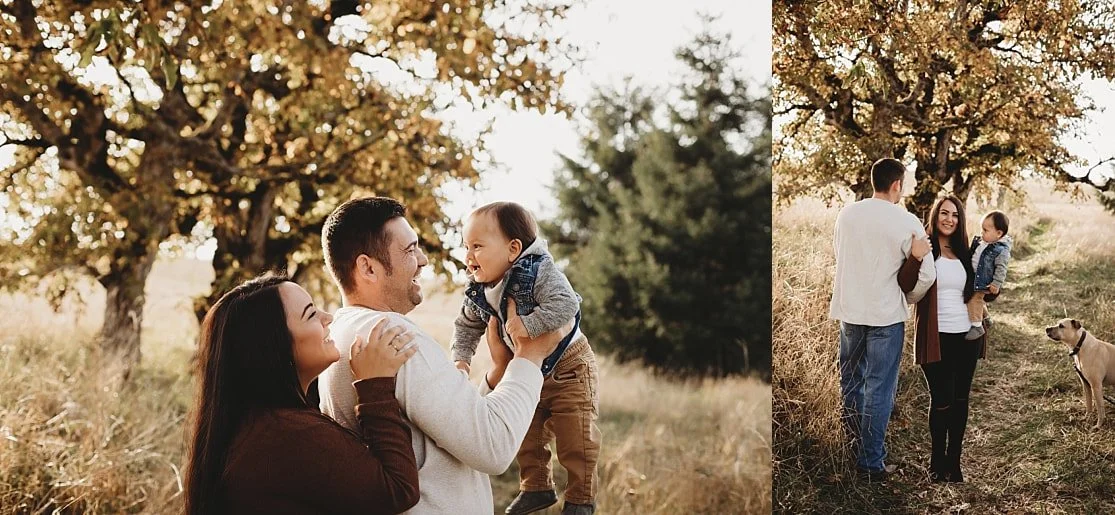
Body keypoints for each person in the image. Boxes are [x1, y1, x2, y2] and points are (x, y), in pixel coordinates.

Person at [316, 197, 572, 514]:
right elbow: (493, 446)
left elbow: (452, 429)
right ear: (368, 267)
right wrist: (530, 356)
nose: (423, 260)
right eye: (409, 250)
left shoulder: (343, 333)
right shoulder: (390, 335)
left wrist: (498, 374)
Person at [184, 273, 421, 515]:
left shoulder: (258, 424)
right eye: (310, 314)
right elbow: (399, 489)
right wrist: (374, 385)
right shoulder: (289, 433)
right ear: (274, 347)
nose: (327, 317)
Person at [451, 202, 599, 515]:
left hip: (569, 366)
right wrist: (461, 358)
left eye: (477, 246)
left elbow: (566, 305)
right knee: (525, 432)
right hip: (528, 368)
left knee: (576, 439)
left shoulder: (538, 269)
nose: (468, 257)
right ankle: (537, 487)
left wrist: (526, 325)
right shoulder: (479, 289)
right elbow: (466, 325)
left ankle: (580, 501)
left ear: (513, 248)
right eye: (466, 247)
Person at [829, 158, 935, 481]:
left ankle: (850, 449)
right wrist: (908, 298)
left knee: (851, 381)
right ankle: (871, 463)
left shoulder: (846, 215)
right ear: (897, 185)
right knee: (879, 388)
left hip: (850, 311)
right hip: (886, 317)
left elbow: (840, 255)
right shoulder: (907, 222)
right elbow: (927, 275)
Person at [900, 196, 986, 483]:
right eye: (944, 213)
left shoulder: (967, 253)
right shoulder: (925, 247)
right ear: (936, 216)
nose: (949, 219)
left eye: (955, 215)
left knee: (961, 399)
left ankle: (955, 462)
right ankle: (937, 462)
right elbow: (906, 284)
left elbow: (981, 289)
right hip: (935, 335)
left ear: (960, 220)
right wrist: (914, 256)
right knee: (942, 399)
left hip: (967, 336)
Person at [964, 210, 1012, 340]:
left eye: (985, 230)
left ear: (998, 233)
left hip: (984, 281)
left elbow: (1001, 268)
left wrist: (996, 284)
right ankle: (986, 317)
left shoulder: (1000, 250)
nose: (982, 233)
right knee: (978, 300)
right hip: (975, 277)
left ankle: (977, 326)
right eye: (982, 229)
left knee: (974, 299)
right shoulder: (983, 242)